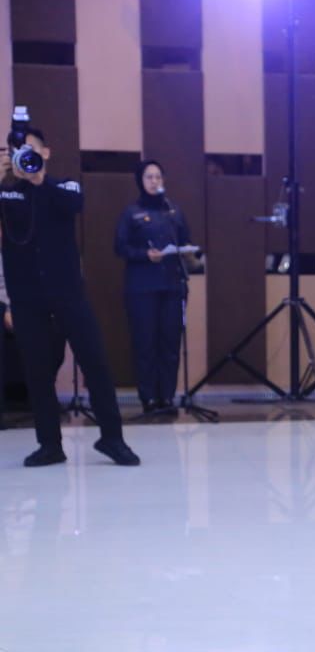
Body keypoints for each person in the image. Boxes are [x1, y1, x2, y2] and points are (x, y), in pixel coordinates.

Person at [0, 124, 138, 466]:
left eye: (32, 150)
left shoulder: (64, 185)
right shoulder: (6, 193)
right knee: (37, 371)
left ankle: (112, 438)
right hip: (26, 297)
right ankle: (50, 444)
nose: (26, 158)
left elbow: (73, 204)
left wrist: (37, 180)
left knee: (95, 362)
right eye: (19, 153)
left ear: (45, 152)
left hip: (68, 293)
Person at [115, 160, 191, 415]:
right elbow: (120, 247)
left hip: (172, 286)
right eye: (149, 177)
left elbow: (185, 240)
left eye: (158, 176)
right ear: (141, 181)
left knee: (170, 343)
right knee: (145, 343)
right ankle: (148, 397)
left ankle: (167, 397)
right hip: (141, 288)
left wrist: (188, 252)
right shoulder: (131, 213)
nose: (154, 181)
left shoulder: (174, 211)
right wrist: (145, 254)